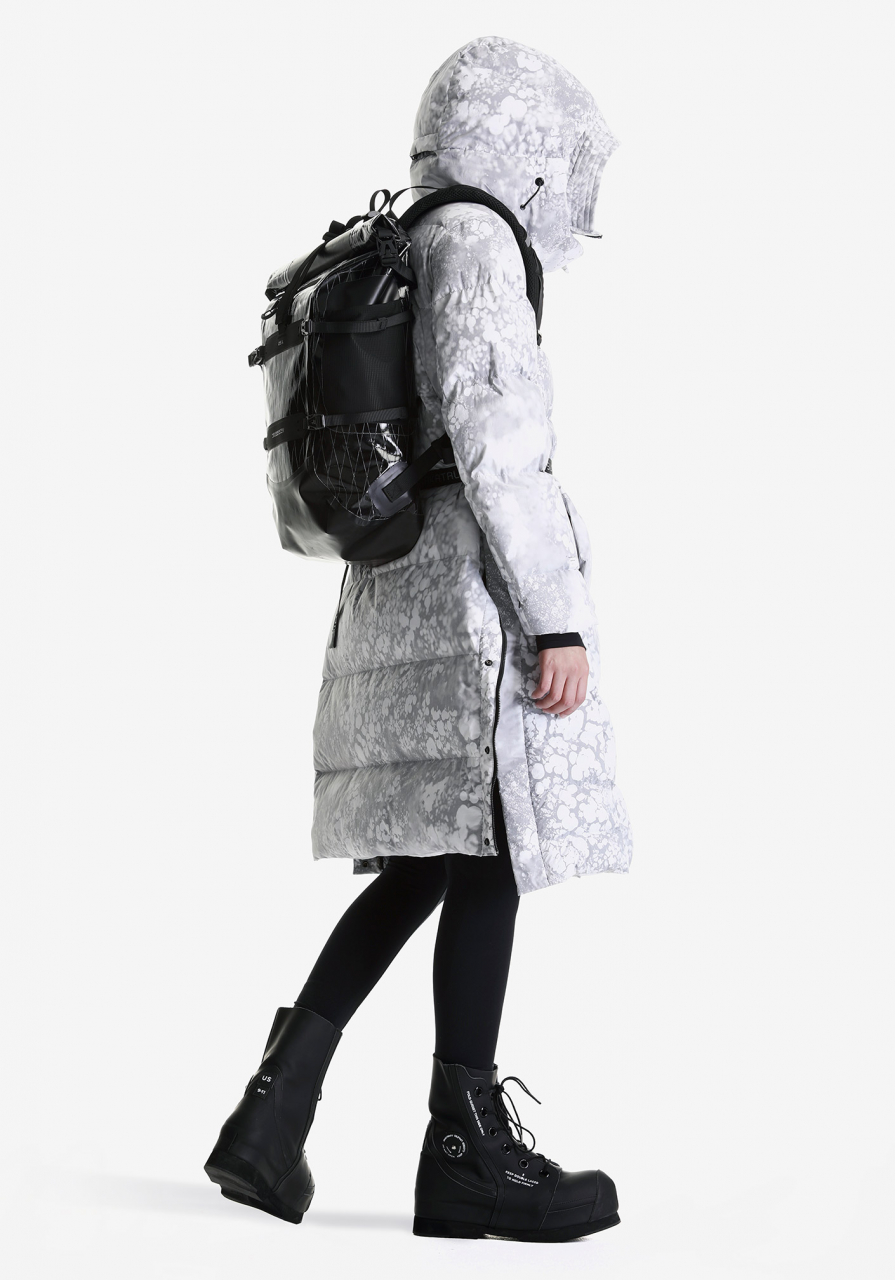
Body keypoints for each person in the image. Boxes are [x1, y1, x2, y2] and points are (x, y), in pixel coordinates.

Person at [205, 35, 633, 1243]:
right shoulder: (481, 240)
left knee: (427, 859)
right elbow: (498, 441)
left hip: (393, 587)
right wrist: (553, 614)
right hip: (473, 597)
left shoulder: (412, 228)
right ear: (526, 140)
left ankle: (270, 1115)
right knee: (488, 852)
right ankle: (467, 1150)